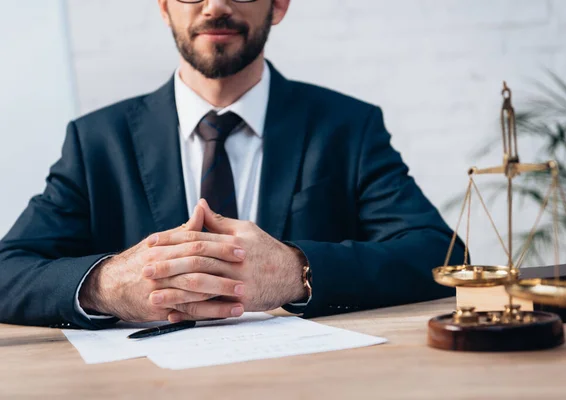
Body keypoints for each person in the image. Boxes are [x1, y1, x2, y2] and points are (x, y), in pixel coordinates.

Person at [0, 0, 463, 329]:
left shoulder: (347, 126)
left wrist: (296, 271)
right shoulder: (96, 141)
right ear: (164, 6)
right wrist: (107, 284)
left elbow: (442, 256)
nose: (215, 5)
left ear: (278, 5)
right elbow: (7, 270)